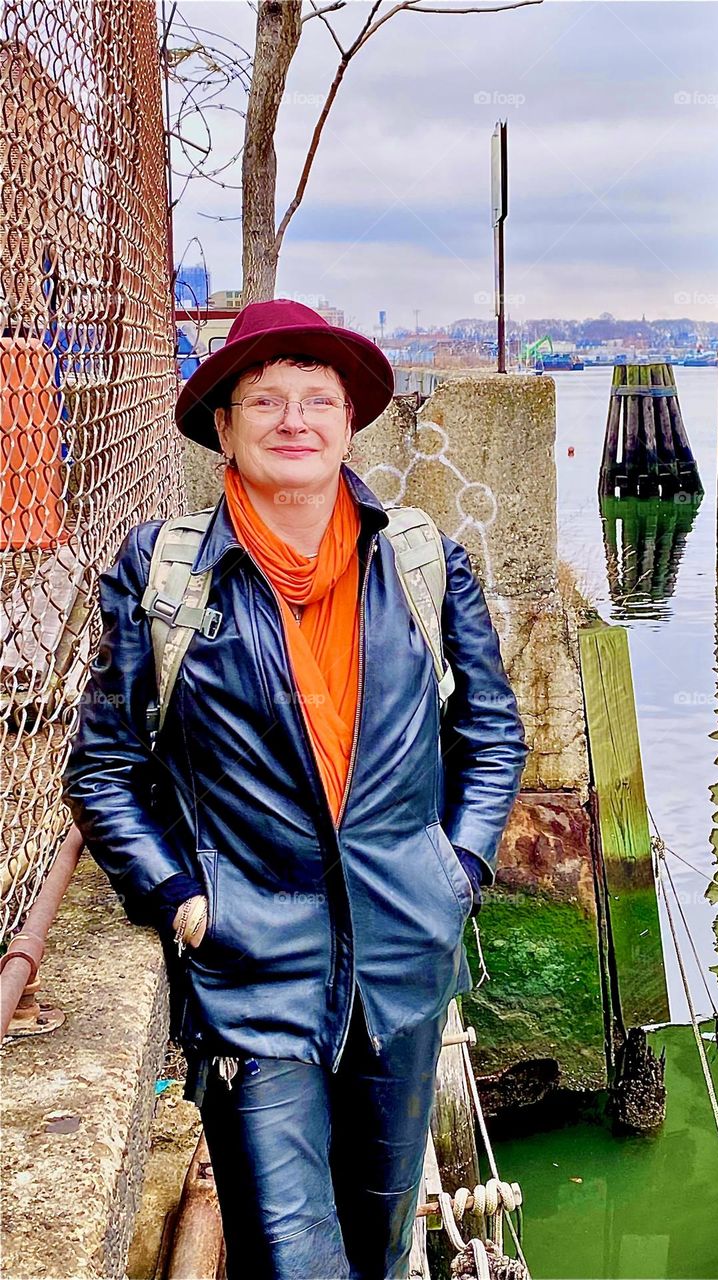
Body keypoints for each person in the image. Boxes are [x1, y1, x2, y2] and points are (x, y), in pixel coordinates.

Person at [63, 298, 528, 1280]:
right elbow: (102, 769)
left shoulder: (421, 561)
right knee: (294, 1260)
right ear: (224, 427)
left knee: (376, 1241)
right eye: (263, 398)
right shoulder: (163, 573)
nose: (294, 418)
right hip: (250, 979)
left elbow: (492, 735)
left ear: (348, 420)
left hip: (402, 970)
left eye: (318, 397)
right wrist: (188, 905)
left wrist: (456, 868)